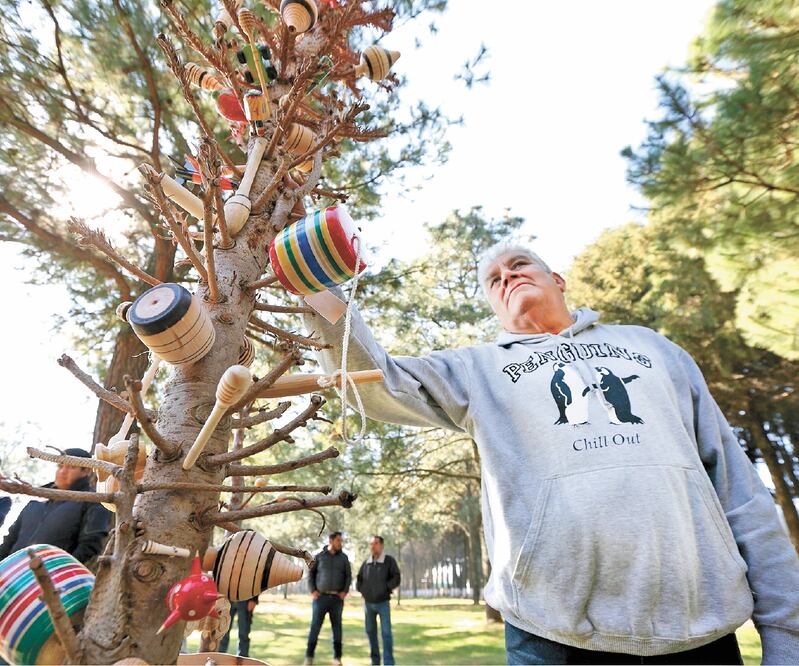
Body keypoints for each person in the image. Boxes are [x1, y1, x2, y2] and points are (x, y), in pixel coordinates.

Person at [303, 241, 799, 665]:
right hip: (553, 633)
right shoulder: (480, 368)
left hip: (700, 628)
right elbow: (375, 385)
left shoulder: (654, 349)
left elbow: (741, 492)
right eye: (493, 280)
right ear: (495, 310)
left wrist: (786, 637)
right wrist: (317, 289)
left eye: (519, 265)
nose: (507, 277)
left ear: (557, 280)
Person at [0, 448, 111, 564]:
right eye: (60, 466)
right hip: (11, 575)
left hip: (51, 578)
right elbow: (9, 542)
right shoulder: (36, 500)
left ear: (86, 471)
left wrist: (58, 573)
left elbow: (89, 546)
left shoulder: (94, 500)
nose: (62, 471)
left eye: (71, 467)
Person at [304, 532, 352, 666]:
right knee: (315, 628)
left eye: (341, 541)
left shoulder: (344, 558)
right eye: (338, 540)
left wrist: (344, 591)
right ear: (330, 541)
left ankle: (337, 659)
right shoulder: (319, 557)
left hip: (337, 600)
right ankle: (309, 658)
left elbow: (348, 576)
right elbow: (311, 574)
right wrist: (313, 590)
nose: (340, 543)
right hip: (320, 599)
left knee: (337, 629)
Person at [356, 535, 400, 665]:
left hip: (383, 604)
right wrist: (363, 590)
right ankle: (375, 662)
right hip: (368, 605)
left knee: (386, 634)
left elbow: (396, 577)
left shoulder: (389, 561)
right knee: (370, 632)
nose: (372, 546)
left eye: (375, 543)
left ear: (381, 545)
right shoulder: (366, 562)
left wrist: (386, 588)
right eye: (371, 544)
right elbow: (359, 579)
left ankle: (388, 662)